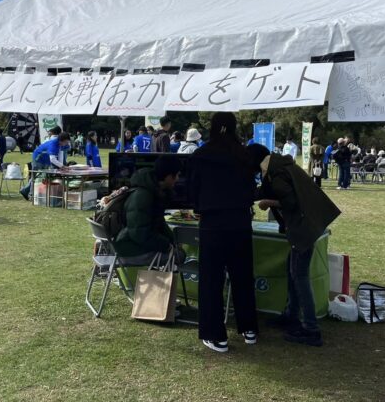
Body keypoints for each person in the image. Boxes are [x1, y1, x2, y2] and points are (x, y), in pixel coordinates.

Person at [249, 143, 340, 347]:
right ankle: (291, 315)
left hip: (303, 227)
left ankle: (311, 329)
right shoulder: (278, 166)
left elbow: (289, 201)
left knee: (299, 276)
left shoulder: (276, 172)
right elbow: (265, 190)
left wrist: (267, 203)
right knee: (293, 272)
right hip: (307, 224)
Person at [188, 112, 258, 353]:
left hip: (212, 222)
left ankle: (215, 335)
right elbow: (252, 190)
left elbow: (193, 189)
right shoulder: (244, 155)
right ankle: (249, 328)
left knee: (211, 280)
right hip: (239, 221)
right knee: (242, 277)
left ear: (213, 128)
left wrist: (198, 207)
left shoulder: (201, 155)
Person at [113, 155, 181, 260]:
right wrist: (167, 245)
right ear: (168, 176)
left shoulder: (152, 192)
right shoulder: (144, 196)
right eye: (176, 175)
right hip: (130, 250)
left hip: (133, 244)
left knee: (178, 253)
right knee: (179, 257)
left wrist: (174, 241)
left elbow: (158, 223)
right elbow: (139, 233)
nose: (177, 179)